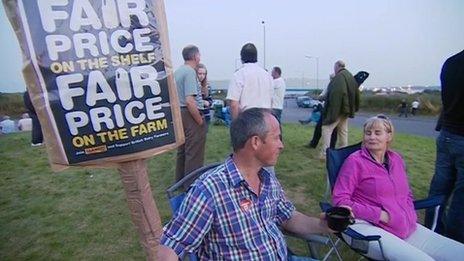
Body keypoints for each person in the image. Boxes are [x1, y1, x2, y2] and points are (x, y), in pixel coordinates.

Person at [158, 108, 332, 260]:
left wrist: (322, 225)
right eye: (277, 138)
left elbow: (288, 217)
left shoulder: (267, 179)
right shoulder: (210, 190)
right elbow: (171, 246)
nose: (281, 145)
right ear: (255, 142)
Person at [332, 115, 464, 260]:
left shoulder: (396, 159)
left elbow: (407, 193)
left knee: (459, 253)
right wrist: (380, 215)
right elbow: (340, 200)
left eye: (377, 133)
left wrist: (408, 213)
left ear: (389, 136)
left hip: (404, 224)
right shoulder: (355, 162)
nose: (371, 137)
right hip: (367, 225)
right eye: (368, 133)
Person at [425, 49, 464, 243]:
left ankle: (431, 232)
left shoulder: (451, 62)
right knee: (461, 197)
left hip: (447, 132)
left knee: (439, 188)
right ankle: (454, 244)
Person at [174, 45, 207, 182]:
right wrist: (199, 120)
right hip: (189, 114)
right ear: (195, 56)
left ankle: (180, 180)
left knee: (183, 150)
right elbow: (189, 101)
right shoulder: (189, 72)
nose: (200, 57)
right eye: (199, 54)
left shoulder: (178, 71)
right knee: (194, 152)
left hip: (179, 113)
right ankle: (192, 184)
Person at [319, 60, 359, 159]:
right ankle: (343, 151)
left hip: (338, 108)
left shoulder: (339, 78)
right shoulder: (349, 76)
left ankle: (325, 154)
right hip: (346, 109)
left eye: (334, 67)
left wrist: (331, 110)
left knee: (326, 129)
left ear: (337, 66)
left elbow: (335, 94)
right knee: (343, 131)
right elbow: (356, 93)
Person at [227, 43, 274, 120]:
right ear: (256, 57)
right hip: (265, 118)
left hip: (247, 119)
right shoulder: (268, 75)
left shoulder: (238, 75)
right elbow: (271, 101)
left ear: (242, 58)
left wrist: (235, 124)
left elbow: (233, 104)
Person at [196, 63, 213, 128]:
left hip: (206, 114)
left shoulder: (207, 86)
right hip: (196, 114)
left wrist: (208, 103)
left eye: (204, 74)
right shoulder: (193, 86)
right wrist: (201, 101)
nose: (202, 76)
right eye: (200, 74)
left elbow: (211, 100)